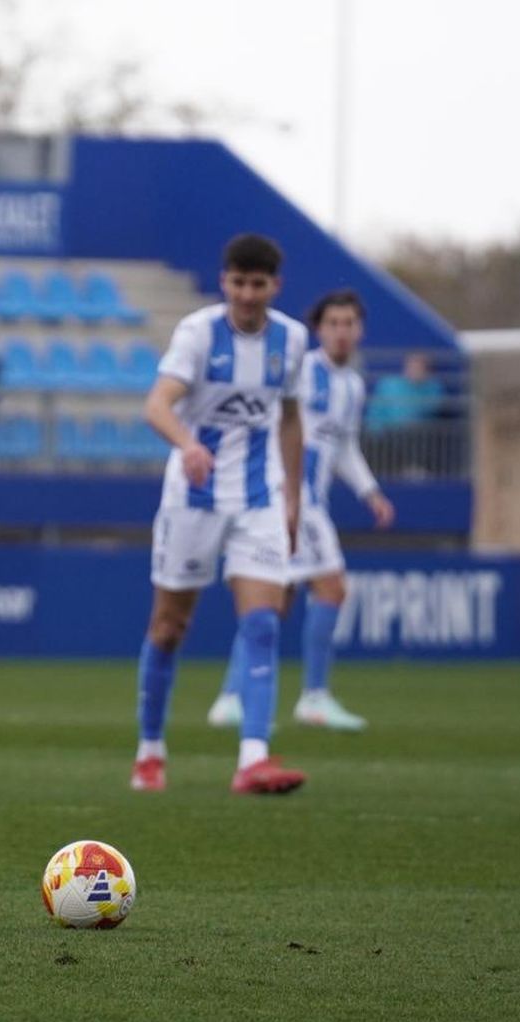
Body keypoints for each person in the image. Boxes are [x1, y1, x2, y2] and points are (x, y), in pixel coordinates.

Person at [129, 233, 308, 796]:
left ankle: (252, 759)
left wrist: (294, 498)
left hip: (258, 499)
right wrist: (188, 444)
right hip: (194, 497)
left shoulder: (292, 340)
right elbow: (156, 405)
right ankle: (151, 750)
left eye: (258, 284)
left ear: (274, 286)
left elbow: (290, 419)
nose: (247, 295)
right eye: (238, 283)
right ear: (224, 281)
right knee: (169, 625)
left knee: (262, 621)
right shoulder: (199, 333)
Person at [207, 289, 395, 734]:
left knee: (276, 599)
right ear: (319, 329)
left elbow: (344, 445)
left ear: (360, 330)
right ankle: (312, 696)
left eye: (349, 323)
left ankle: (233, 696)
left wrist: (370, 492)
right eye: (333, 323)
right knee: (331, 588)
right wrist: (284, 492)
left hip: (311, 501)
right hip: (295, 498)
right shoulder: (305, 371)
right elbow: (276, 423)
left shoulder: (351, 385)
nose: (342, 332)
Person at [365, 352, 444, 430]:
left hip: (418, 435)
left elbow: (433, 409)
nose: (414, 370)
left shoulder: (433, 388)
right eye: (411, 366)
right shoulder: (387, 384)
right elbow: (374, 414)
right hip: (386, 435)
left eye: (419, 367)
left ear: (427, 371)